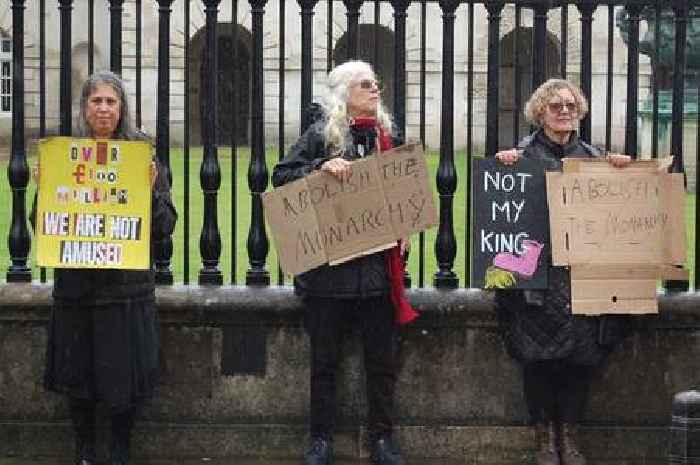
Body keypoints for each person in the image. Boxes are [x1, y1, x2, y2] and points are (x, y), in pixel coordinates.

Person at [272, 61, 417, 465]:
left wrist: (405, 226)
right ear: (343, 93)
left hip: (377, 273)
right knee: (324, 363)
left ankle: (383, 440)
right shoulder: (320, 135)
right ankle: (319, 440)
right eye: (365, 85)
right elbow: (282, 176)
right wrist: (319, 169)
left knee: (382, 364)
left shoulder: (388, 137)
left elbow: (406, 194)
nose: (375, 90)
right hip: (327, 274)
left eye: (376, 84)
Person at [32, 71, 177, 465]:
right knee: (77, 376)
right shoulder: (65, 155)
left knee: (122, 380)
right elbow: (41, 226)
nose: (103, 108)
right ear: (84, 108)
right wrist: (44, 190)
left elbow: (164, 228)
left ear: (122, 108)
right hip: (78, 287)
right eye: (96, 101)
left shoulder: (141, 156)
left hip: (125, 289)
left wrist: (149, 191)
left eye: (111, 102)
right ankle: (84, 452)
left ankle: (119, 451)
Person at [494, 79, 631, 465]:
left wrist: (619, 169)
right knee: (537, 360)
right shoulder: (519, 155)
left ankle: (569, 437)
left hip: (581, 277)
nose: (565, 111)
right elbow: (501, 211)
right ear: (540, 112)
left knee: (579, 360)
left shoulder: (593, 157)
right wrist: (506, 168)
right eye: (556, 106)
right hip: (535, 280)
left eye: (571, 106)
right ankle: (543, 439)